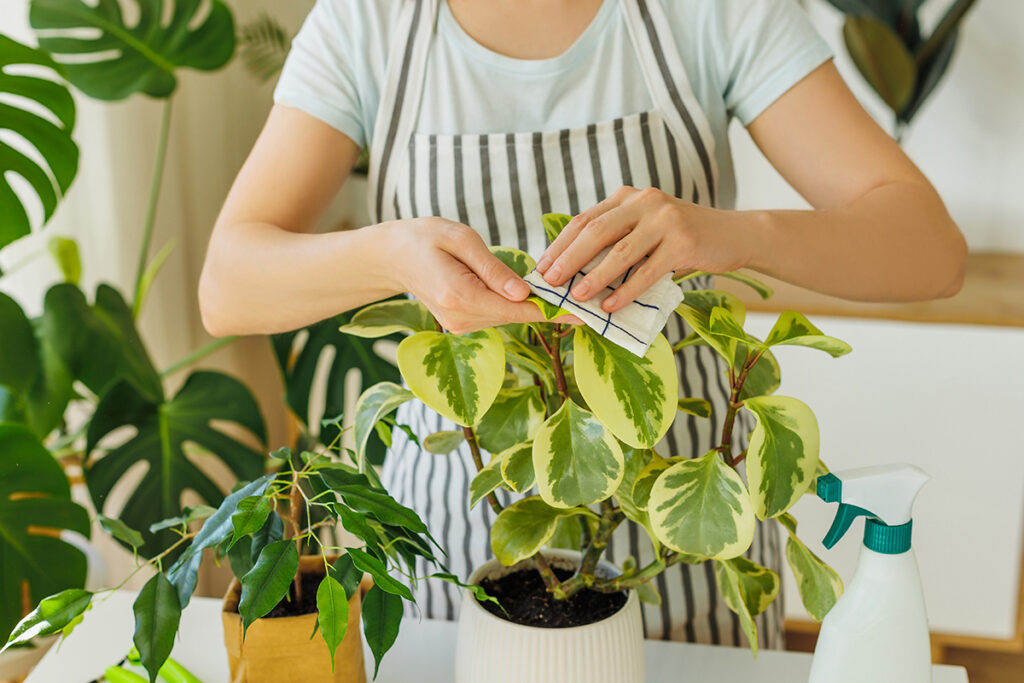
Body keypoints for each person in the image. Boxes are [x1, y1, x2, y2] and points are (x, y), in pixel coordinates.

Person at [199, 0, 966, 648]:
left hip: (680, 550)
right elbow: (229, 284)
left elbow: (930, 249)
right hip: (452, 550)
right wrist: (393, 254)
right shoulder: (369, 23)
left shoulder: (711, 12)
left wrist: (727, 233)